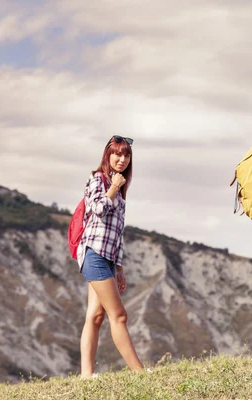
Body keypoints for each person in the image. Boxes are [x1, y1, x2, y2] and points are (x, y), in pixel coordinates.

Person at [77, 135, 146, 378]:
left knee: (95, 316)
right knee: (119, 315)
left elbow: (117, 233)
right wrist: (114, 187)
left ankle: (86, 376)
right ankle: (139, 372)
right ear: (108, 155)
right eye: (117, 154)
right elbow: (98, 209)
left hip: (107, 258)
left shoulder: (121, 190)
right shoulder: (98, 179)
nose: (122, 159)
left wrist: (119, 268)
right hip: (93, 254)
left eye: (126, 155)